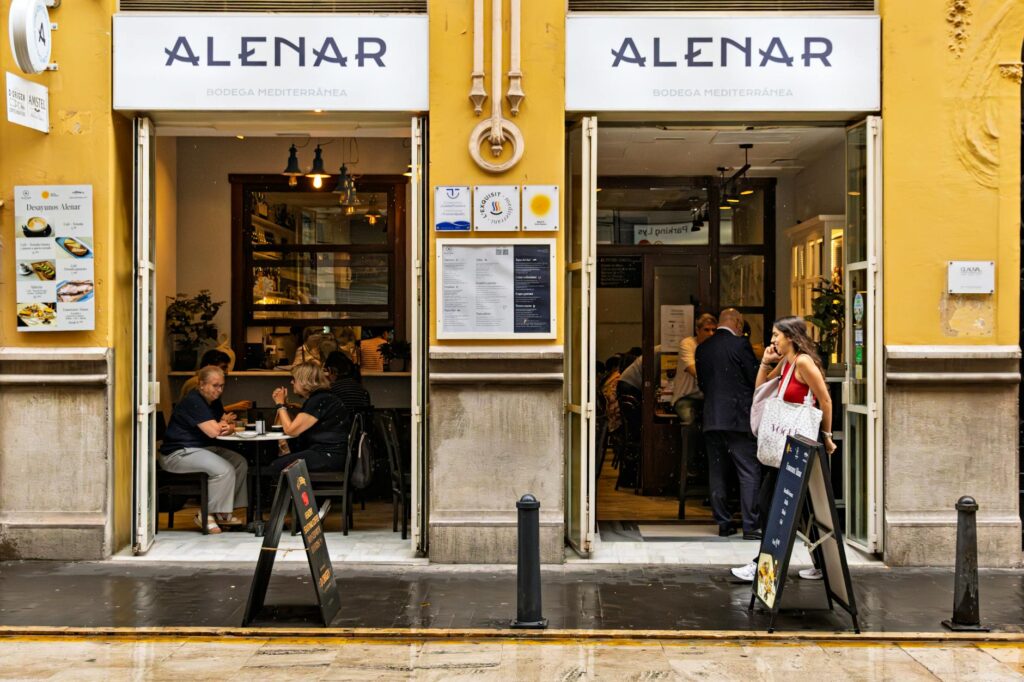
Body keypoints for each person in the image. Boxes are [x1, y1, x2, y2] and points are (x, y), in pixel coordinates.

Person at [731, 316, 836, 582]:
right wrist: (766, 362)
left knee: (769, 505)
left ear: (790, 337)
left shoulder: (802, 362)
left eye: (777, 335)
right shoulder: (787, 363)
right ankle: (822, 565)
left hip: (800, 447)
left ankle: (762, 566)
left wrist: (826, 436)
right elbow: (761, 391)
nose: (773, 340)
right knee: (805, 510)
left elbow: (825, 399)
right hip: (785, 447)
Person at [695, 308, 761, 539]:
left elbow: (703, 384)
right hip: (738, 418)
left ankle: (723, 523)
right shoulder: (740, 345)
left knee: (717, 471)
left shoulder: (703, 348)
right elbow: (755, 380)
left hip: (712, 418)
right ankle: (751, 525)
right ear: (738, 323)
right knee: (748, 470)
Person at [159, 366, 248, 534]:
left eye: (221, 386)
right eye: (215, 385)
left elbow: (222, 425)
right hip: (178, 454)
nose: (219, 390)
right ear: (201, 384)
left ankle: (223, 512)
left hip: (200, 449)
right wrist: (225, 426)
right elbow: (214, 431)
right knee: (224, 469)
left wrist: (225, 426)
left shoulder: (213, 402)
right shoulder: (193, 401)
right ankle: (206, 514)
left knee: (239, 463)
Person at [269, 362, 349, 473]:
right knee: (281, 462)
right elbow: (298, 425)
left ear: (303, 381)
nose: (291, 382)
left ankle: (300, 491)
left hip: (327, 455)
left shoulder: (318, 400)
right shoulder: (323, 397)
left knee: (276, 466)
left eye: (294, 379)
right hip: (332, 454)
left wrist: (280, 405)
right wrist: (285, 406)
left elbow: (291, 430)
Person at [671, 313, 718, 424]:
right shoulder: (688, 344)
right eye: (706, 330)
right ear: (697, 330)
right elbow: (695, 371)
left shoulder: (716, 346)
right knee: (689, 420)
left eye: (714, 330)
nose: (711, 334)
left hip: (707, 398)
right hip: (686, 398)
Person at [178, 349, 252, 414]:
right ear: (209, 366)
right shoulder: (195, 383)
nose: (226, 372)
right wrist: (233, 407)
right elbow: (200, 413)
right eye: (223, 367)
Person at [601, 355, 623, 434]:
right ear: (615, 367)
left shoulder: (606, 378)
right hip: (613, 414)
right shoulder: (617, 378)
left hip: (607, 413)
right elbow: (612, 397)